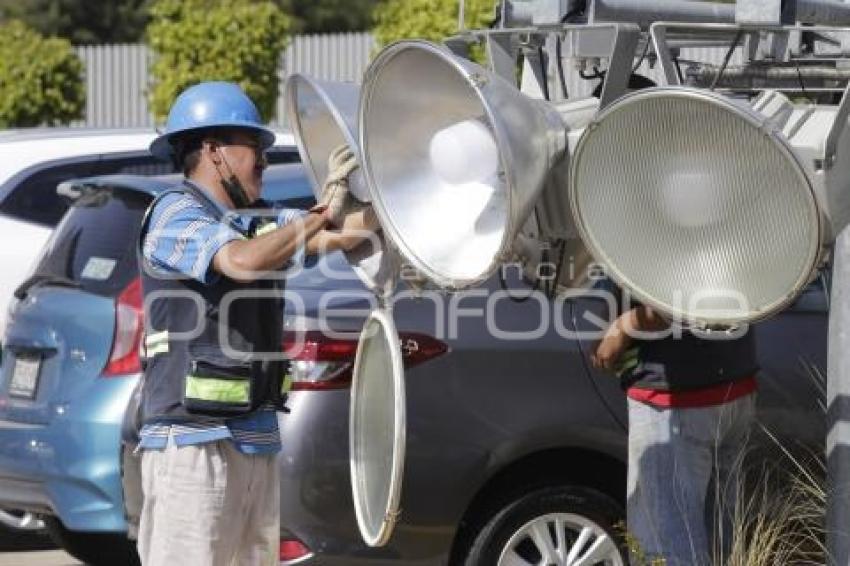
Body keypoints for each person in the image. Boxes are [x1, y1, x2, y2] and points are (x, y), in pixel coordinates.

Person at [135, 81, 375, 566]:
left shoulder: (258, 219)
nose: (264, 160)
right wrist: (318, 215)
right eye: (253, 147)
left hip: (254, 436)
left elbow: (346, 235)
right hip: (191, 444)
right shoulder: (174, 215)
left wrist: (395, 192)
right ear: (214, 152)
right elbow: (241, 261)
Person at [592, 288, 758, 566]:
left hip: (677, 401)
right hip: (733, 383)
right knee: (720, 545)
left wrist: (624, 326)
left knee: (667, 551)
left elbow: (669, 305)